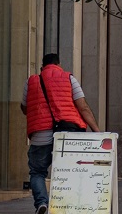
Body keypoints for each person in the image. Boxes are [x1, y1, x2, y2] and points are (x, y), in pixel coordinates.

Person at [23, 53, 98, 214]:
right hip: (66, 135)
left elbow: (24, 107)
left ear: (42, 67)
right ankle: (67, 205)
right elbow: (83, 107)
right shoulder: (69, 78)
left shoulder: (32, 81)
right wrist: (97, 131)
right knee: (68, 170)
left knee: (37, 172)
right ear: (59, 64)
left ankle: (42, 203)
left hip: (40, 136)